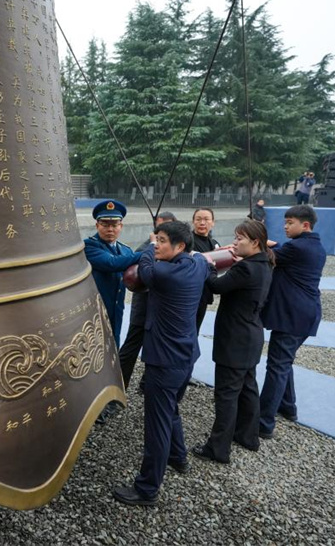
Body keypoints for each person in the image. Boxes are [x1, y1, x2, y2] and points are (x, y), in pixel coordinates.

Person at [112, 221, 210, 506]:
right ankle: (178, 458)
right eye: (157, 239)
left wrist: (147, 246)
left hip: (164, 362)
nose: (157, 244)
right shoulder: (197, 266)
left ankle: (147, 489)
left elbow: (144, 266)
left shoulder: (165, 273)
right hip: (186, 357)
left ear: (180, 246)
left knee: (156, 426)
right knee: (171, 411)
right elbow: (205, 260)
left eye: (163, 240)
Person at [192, 220, 274, 464]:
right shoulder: (264, 264)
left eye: (240, 239)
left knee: (226, 395)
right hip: (251, 337)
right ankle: (248, 437)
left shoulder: (245, 269)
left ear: (255, 242)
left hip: (235, 341)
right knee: (248, 389)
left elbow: (216, 286)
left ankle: (218, 449)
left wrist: (206, 264)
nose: (235, 243)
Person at [258, 205, 326, 439]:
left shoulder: (296, 248)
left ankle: (263, 422)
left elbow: (264, 254)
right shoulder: (314, 245)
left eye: (290, 223)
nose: (285, 227)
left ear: (305, 225)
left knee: (276, 366)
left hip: (292, 317)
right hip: (304, 314)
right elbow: (276, 249)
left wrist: (257, 239)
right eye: (285, 222)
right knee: (283, 363)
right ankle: (288, 406)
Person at [117, 211, 177, 392]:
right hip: (143, 307)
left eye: (168, 225)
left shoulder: (176, 249)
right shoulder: (148, 247)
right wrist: (153, 245)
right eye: (160, 225)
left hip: (163, 309)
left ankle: (147, 384)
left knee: (158, 349)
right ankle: (118, 387)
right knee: (131, 346)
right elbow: (139, 266)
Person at [84, 200, 141, 347]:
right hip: (95, 308)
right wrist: (147, 253)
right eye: (105, 224)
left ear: (121, 226)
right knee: (94, 346)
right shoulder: (89, 246)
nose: (110, 229)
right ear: (97, 225)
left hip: (117, 307)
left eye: (114, 225)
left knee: (114, 342)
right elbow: (112, 263)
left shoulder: (126, 250)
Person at [191, 208, 220, 334]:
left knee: (196, 330)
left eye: (206, 219)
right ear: (193, 222)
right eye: (198, 219)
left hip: (205, 293)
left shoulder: (214, 243)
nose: (202, 223)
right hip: (190, 294)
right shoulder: (187, 242)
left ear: (213, 222)